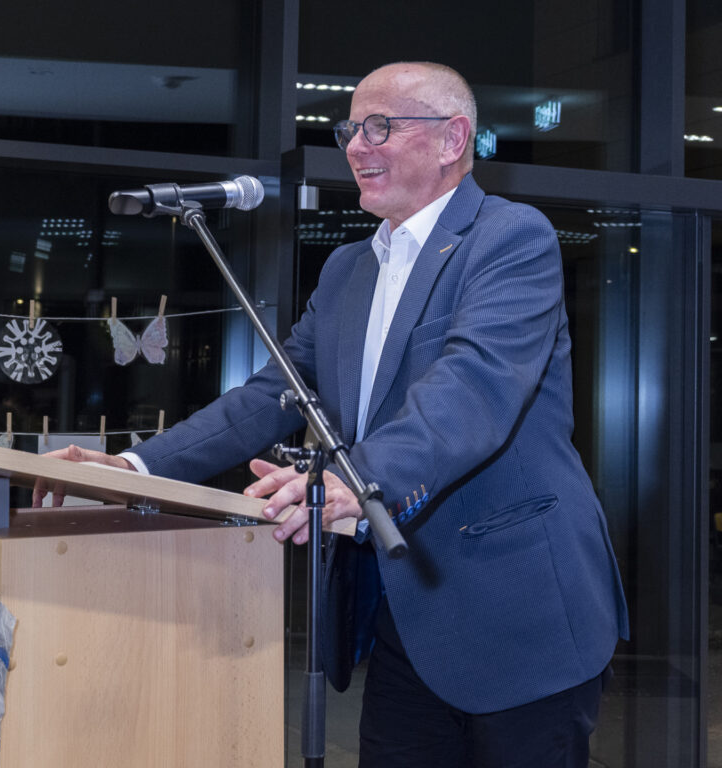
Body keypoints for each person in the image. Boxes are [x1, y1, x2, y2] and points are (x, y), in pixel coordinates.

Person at [34, 61, 629, 767]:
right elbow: (272, 394)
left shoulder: (509, 238)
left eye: (381, 126)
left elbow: (474, 388)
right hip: (404, 619)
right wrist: (134, 468)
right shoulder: (349, 268)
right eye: (350, 130)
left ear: (452, 139)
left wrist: (355, 478)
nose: (355, 146)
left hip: (520, 612)